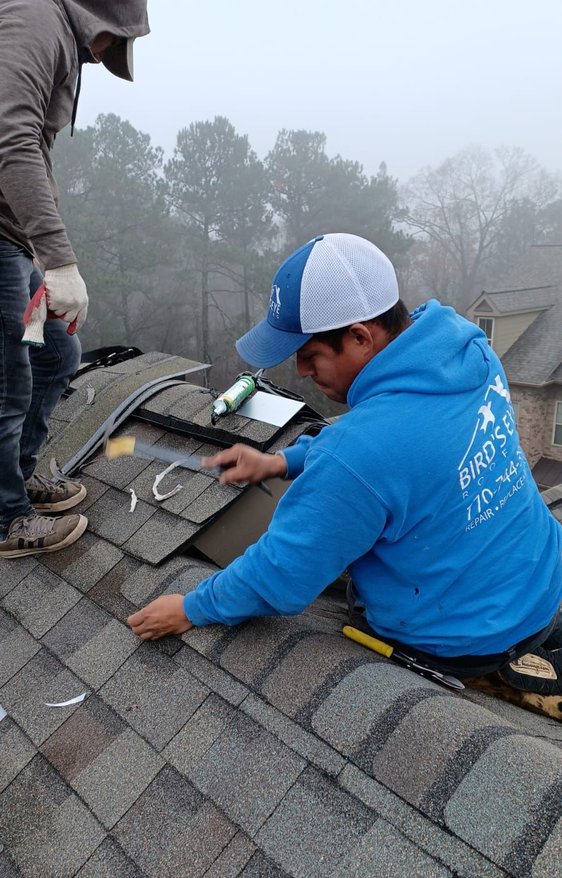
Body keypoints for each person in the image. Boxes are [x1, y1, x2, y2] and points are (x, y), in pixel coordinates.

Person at [128, 233, 562, 707]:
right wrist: (281, 461)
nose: (301, 370)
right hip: (539, 578)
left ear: (359, 337)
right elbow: (406, 449)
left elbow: (283, 573)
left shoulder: (361, 453)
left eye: (310, 354)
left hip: (465, 636)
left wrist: (191, 607)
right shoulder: (466, 351)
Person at [0, 0, 150, 558]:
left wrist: (38, 247)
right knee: (9, 378)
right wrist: (58, 258)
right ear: (99, 16)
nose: (103, 56)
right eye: (113, 42)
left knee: (56, 353)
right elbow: (11, 137)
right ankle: (5, 517)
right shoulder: (35, 19)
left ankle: (16, 476)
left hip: (13, 241)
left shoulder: (54, 30)